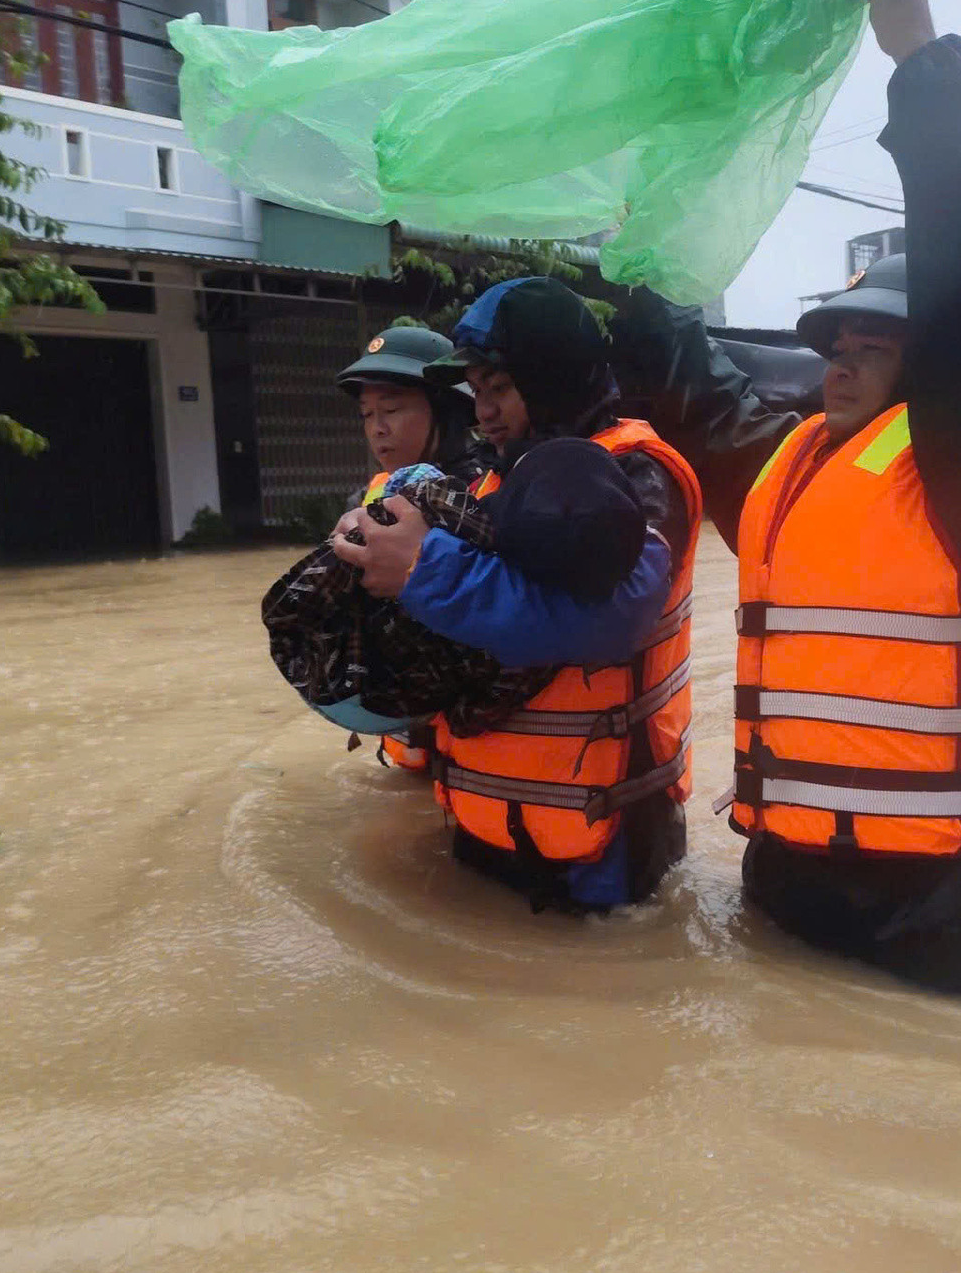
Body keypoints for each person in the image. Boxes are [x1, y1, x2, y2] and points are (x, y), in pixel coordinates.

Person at [609, 0, 961, 994]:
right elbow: (684, 384)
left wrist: (919, 59)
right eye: (837, 345)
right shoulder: (786, 472)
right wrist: (644, 243)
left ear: (934, 370)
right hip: (787, 884)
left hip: (946, 911)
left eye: (878, 347)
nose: (844, 361)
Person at [331, 277, 702, 913]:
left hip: (602, 844)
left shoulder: (639, 471)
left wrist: (420, 569)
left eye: (500, 388)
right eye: (475, 391)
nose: (484, 412)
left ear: (554, 377)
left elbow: (614, 616)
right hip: (478, 823)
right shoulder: (483, 483)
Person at [262, 440, 649, 741]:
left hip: (336, 683)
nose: (378, 426)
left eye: (392, 407)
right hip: (406, 724)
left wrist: (411, 562)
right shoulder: (486, 486)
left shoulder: (440, 505)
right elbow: (470, 714)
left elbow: (285, 608)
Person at [335, 324, 489, 772]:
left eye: (392, 409)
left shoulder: (489, 495)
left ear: (446, 408)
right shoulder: (373, 495)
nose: (377, 430)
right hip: (405, 746)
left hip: (471, 756)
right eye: (367, 414)